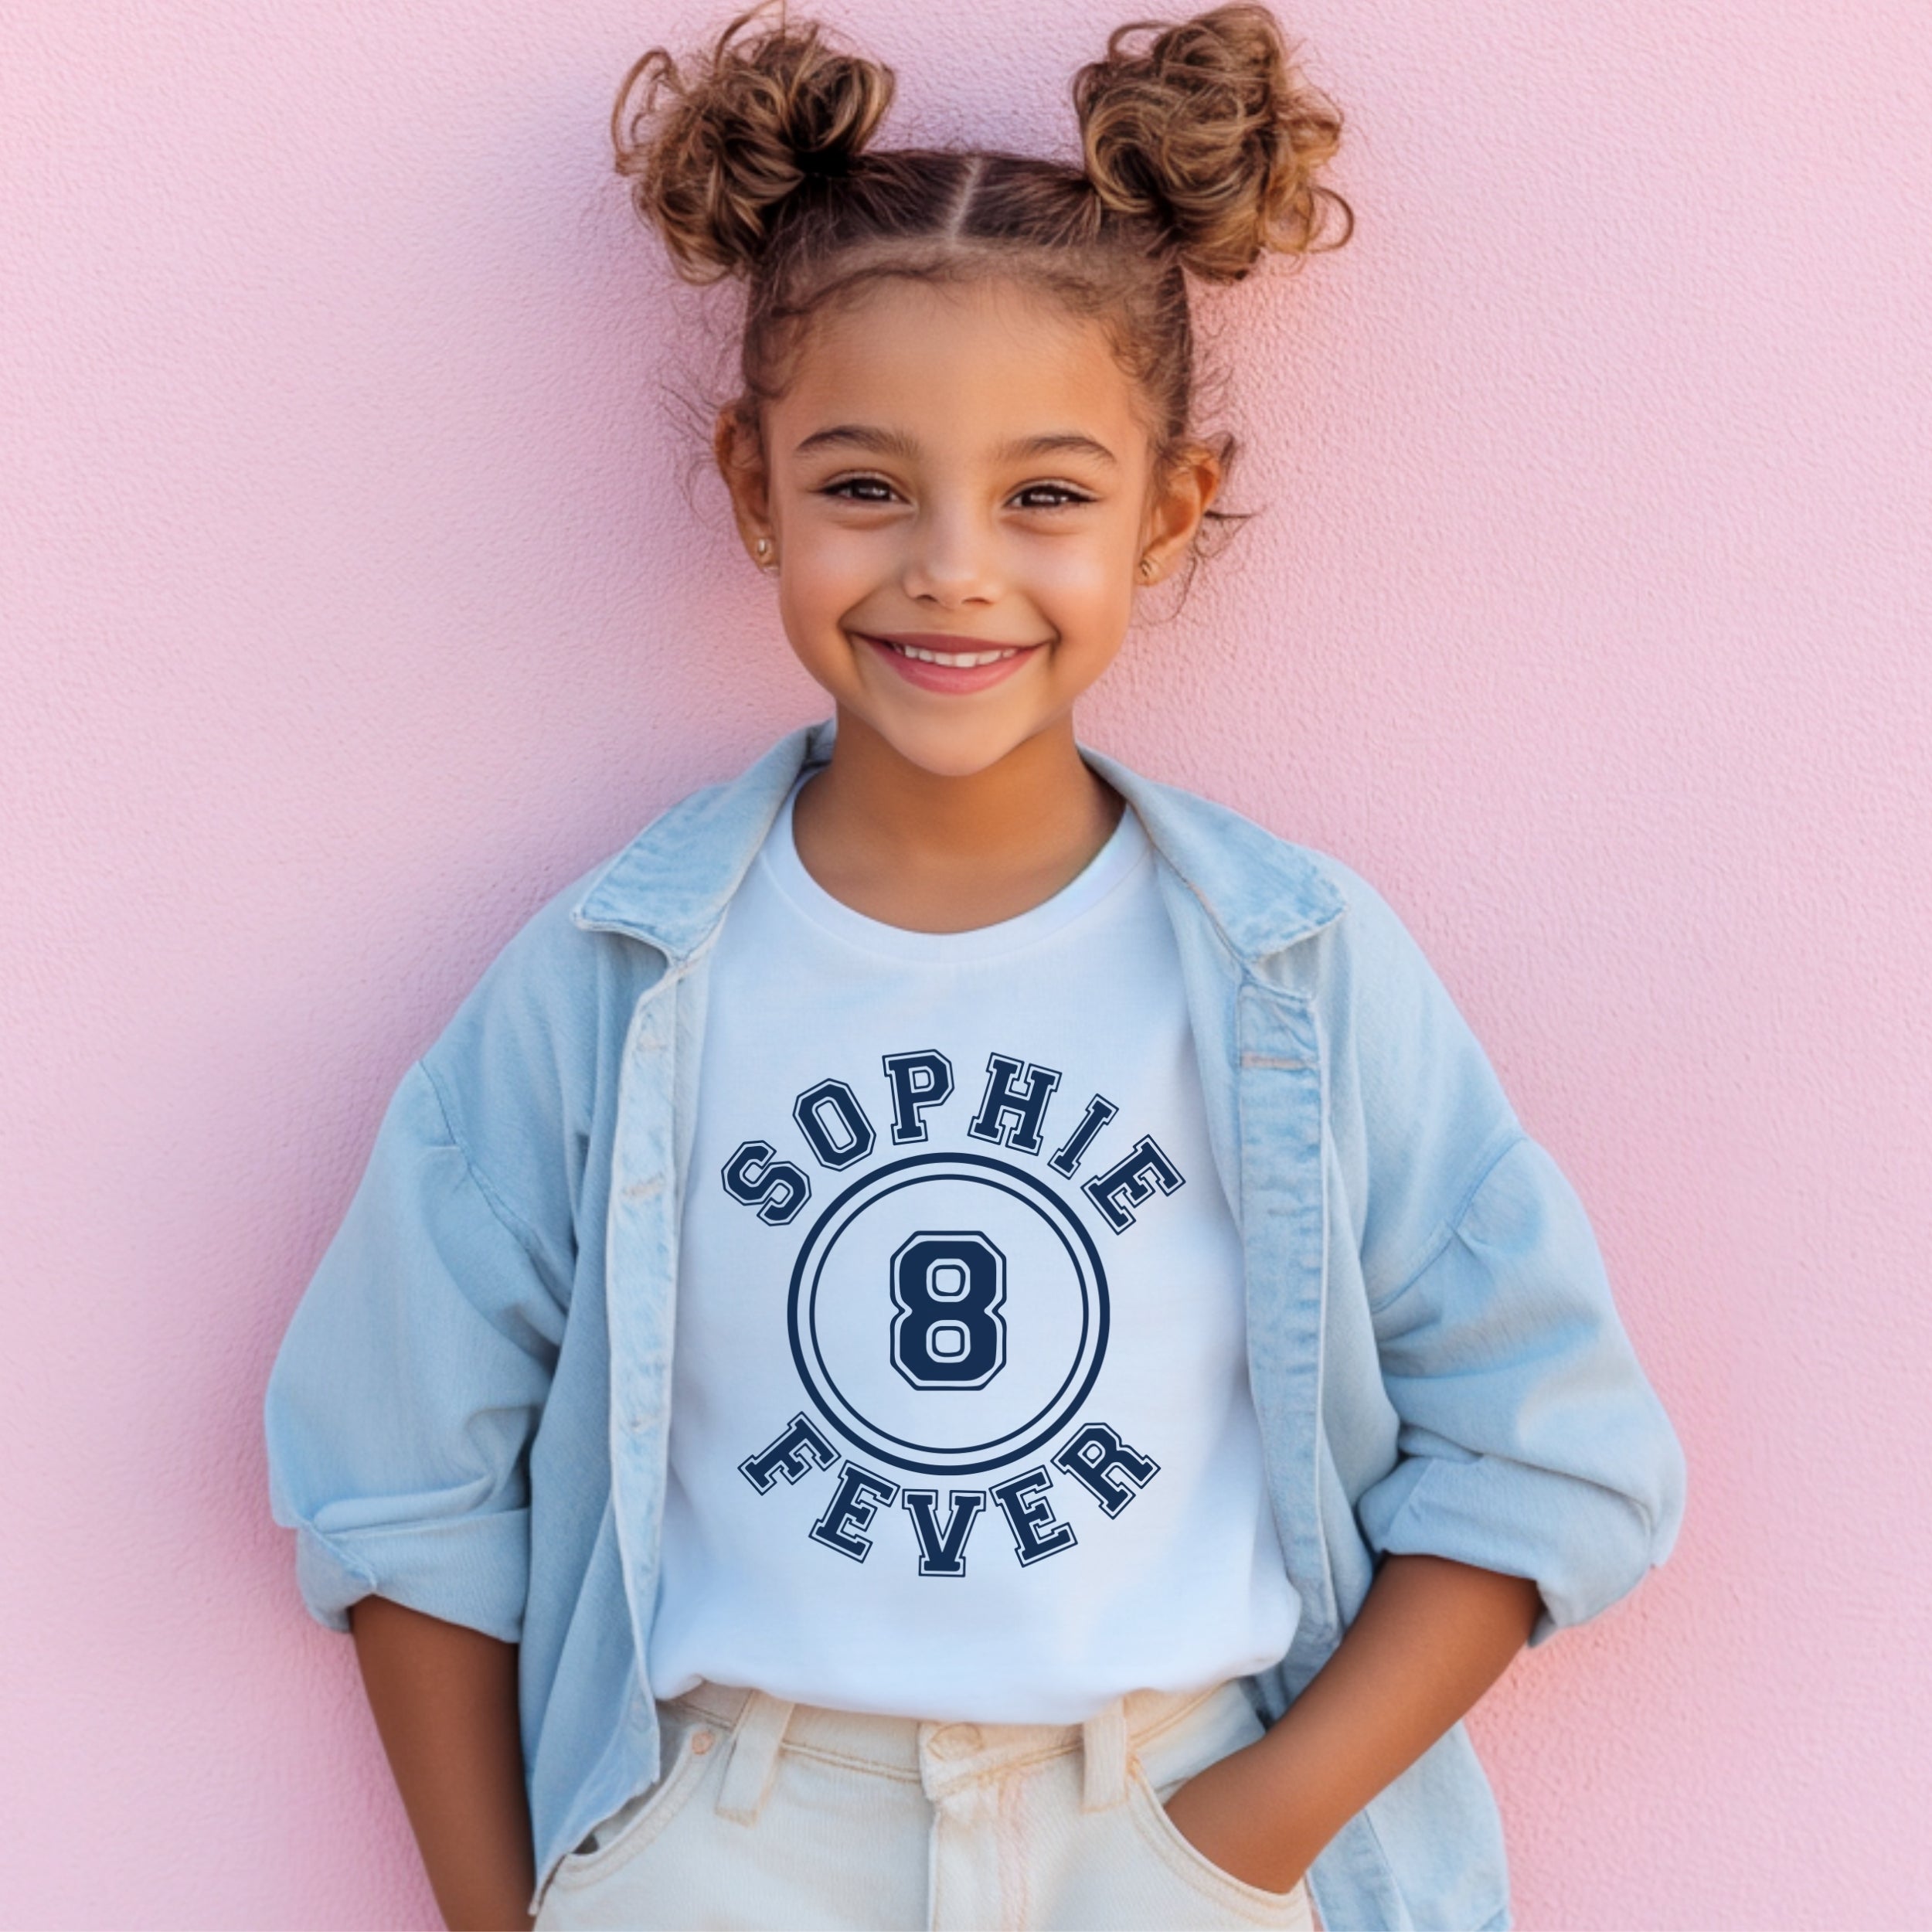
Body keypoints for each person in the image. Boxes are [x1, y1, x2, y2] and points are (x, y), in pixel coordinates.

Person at [264, 6, 1686, 1928]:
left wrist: (1249, 1835)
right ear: (754, 486)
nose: (952, 567)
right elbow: (401, 1474)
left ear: (1164, 512)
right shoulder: (612, 978)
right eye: (864, 487)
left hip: (1174, 1822)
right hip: (733, 1835)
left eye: (1044, 494)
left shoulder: (1292, 972)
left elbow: (1550, 1447)